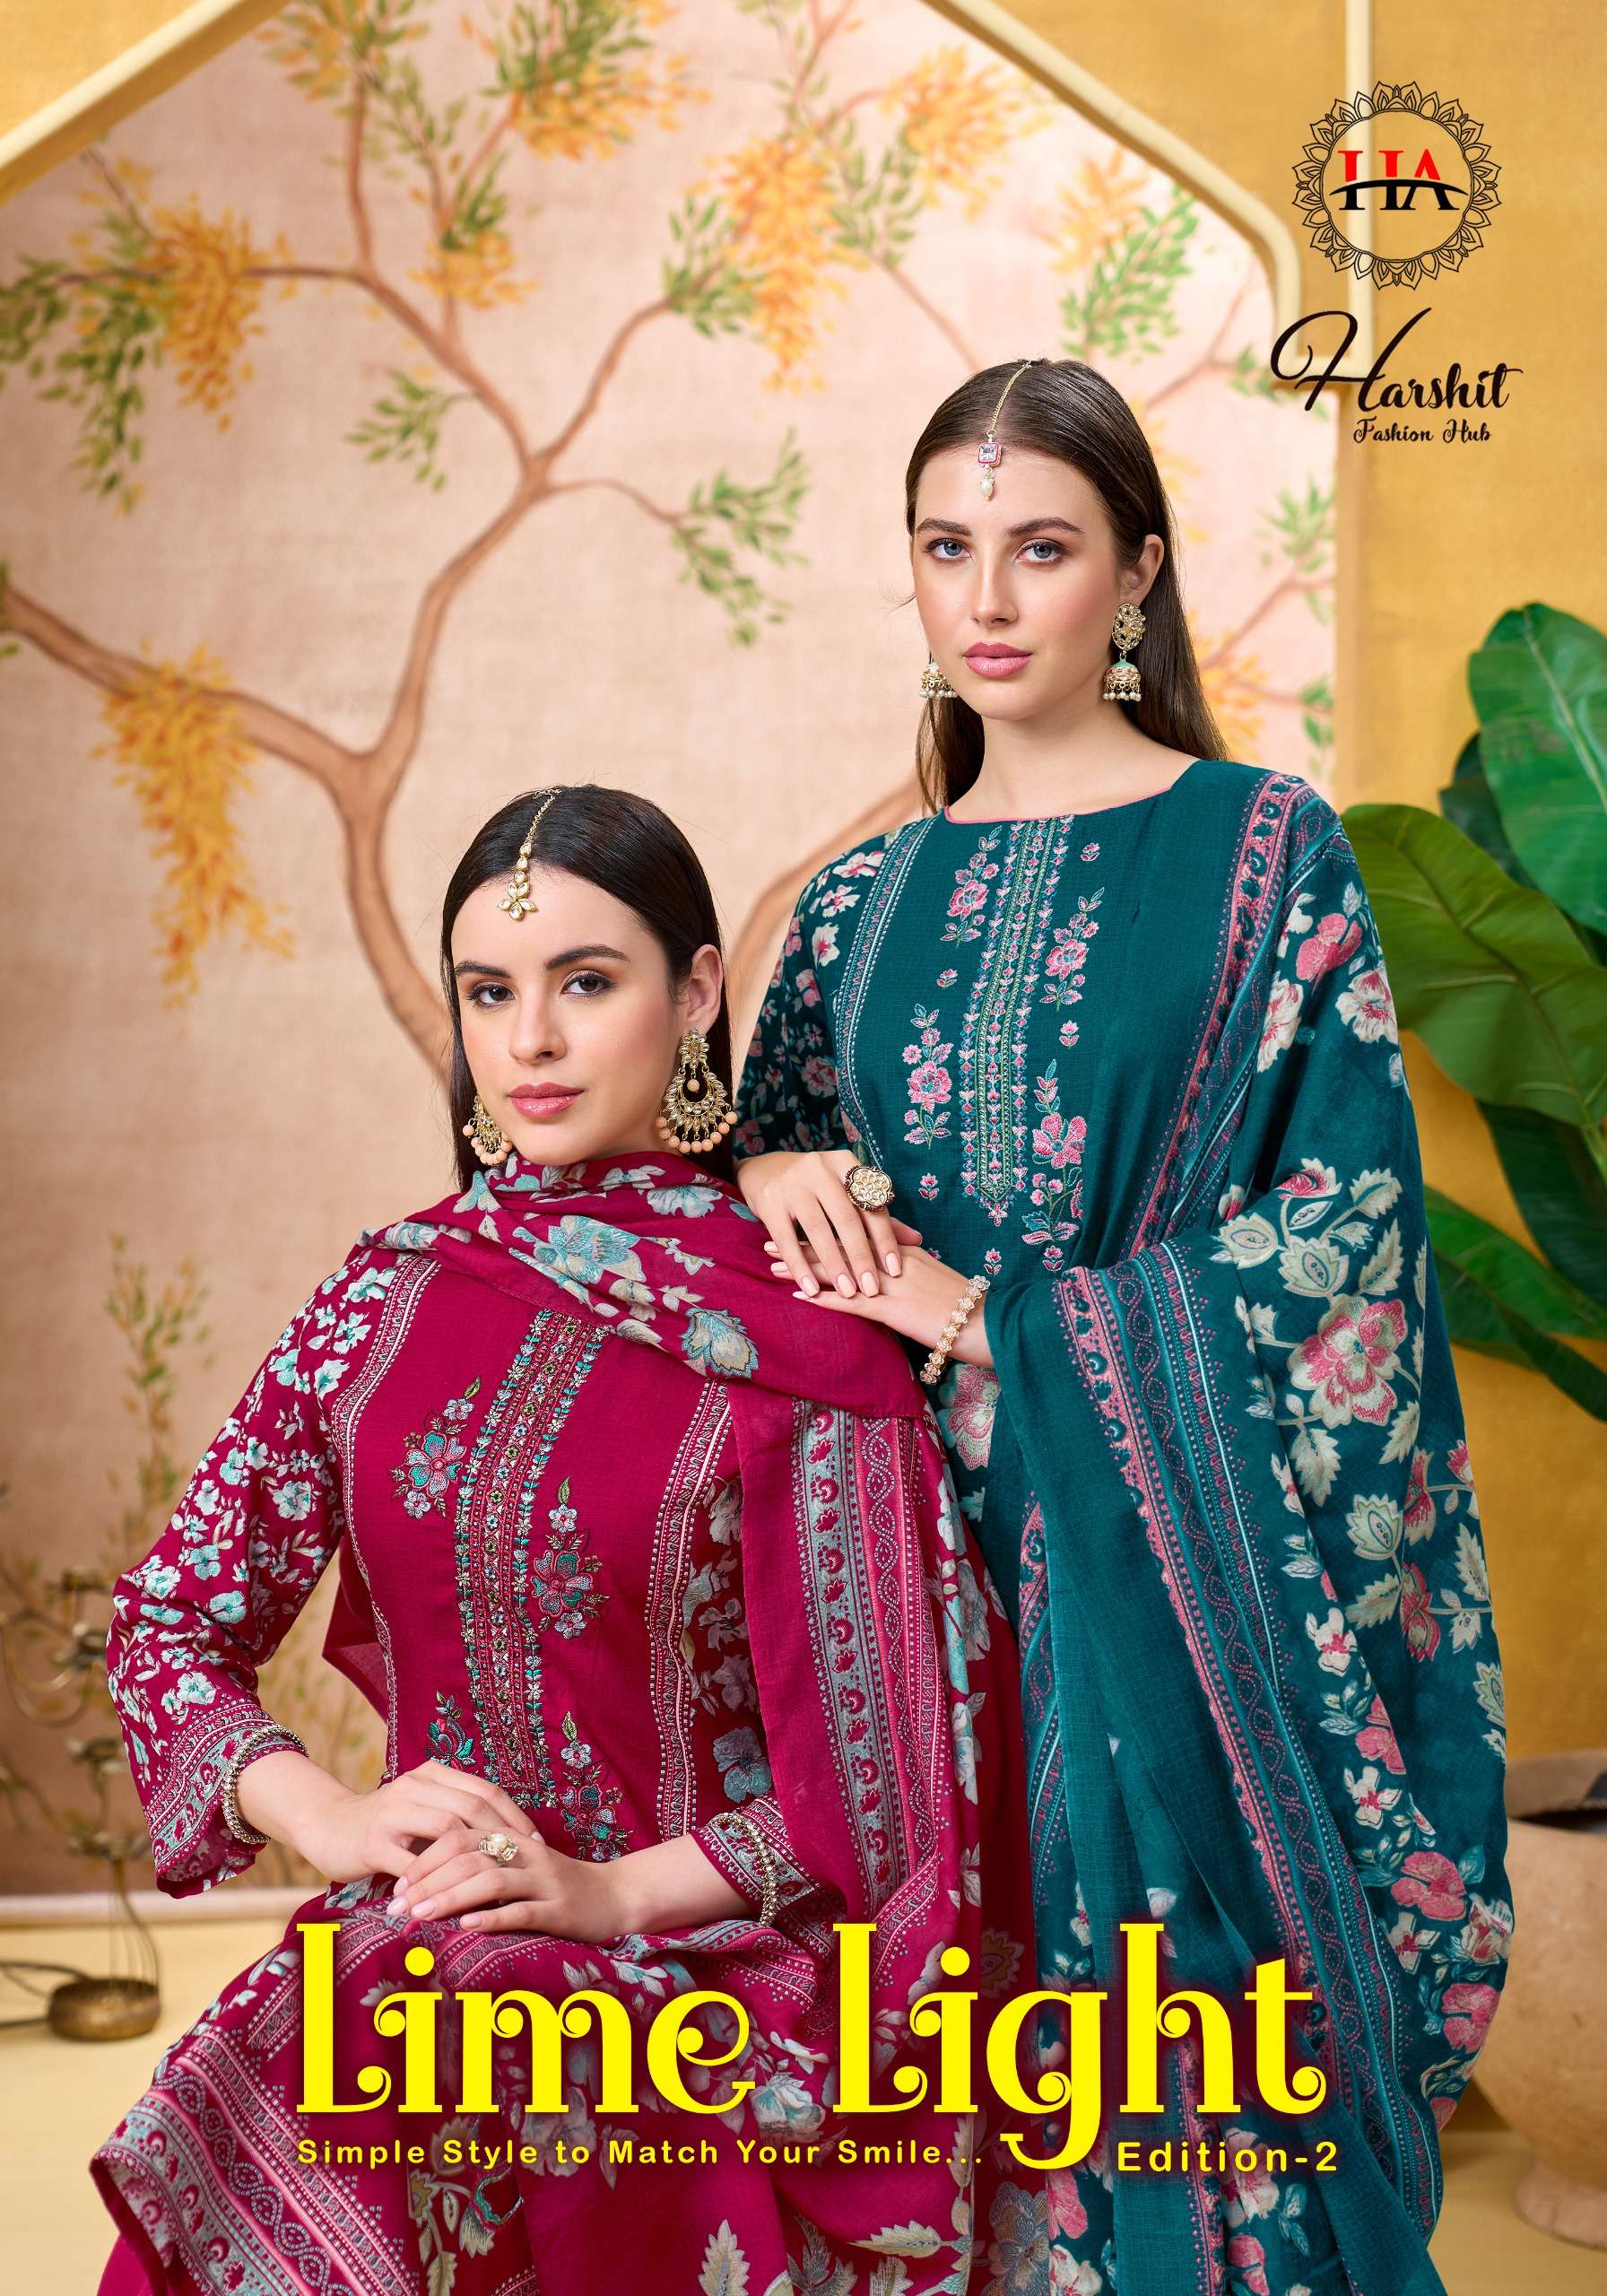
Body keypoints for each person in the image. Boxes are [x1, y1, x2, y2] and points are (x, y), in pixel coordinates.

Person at [732, 358, 1514, 2296]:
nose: (988, 598)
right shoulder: (852, 907)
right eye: (947, 548)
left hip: (1174, 1572)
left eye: (1043, 548)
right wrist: (762, 1166)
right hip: (915, 1587)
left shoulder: (1263, 846)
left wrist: (1002, 1325)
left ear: (1138, 574)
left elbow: (1345, 1239)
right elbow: (746, 1208)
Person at [90, 784, 1042, 2296]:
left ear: (697, 993)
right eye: (490, 992)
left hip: (726, 1981)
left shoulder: (805, 1332)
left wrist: (607, 1897)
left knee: (458, 2027)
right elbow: (168, 1624)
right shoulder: (387, 1298)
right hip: (434, 1946)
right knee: (390, 2006)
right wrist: (330, 1820)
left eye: (585, 984)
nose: (529, 1040)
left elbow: (878, 1791)